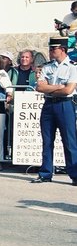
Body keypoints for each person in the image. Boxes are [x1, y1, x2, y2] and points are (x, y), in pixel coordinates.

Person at [30, 37, 77, 185]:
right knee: (47, 140)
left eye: (53, 49)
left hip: (65, 105)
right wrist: (59, 87)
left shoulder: (72, 66)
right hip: (49, 104)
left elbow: (69, 90)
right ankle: (46, 173)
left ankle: (74, 174)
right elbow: (39, 87)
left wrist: (51, 88)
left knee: (69, 141)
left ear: (62, 49)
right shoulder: (48, 67)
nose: (50, 52)